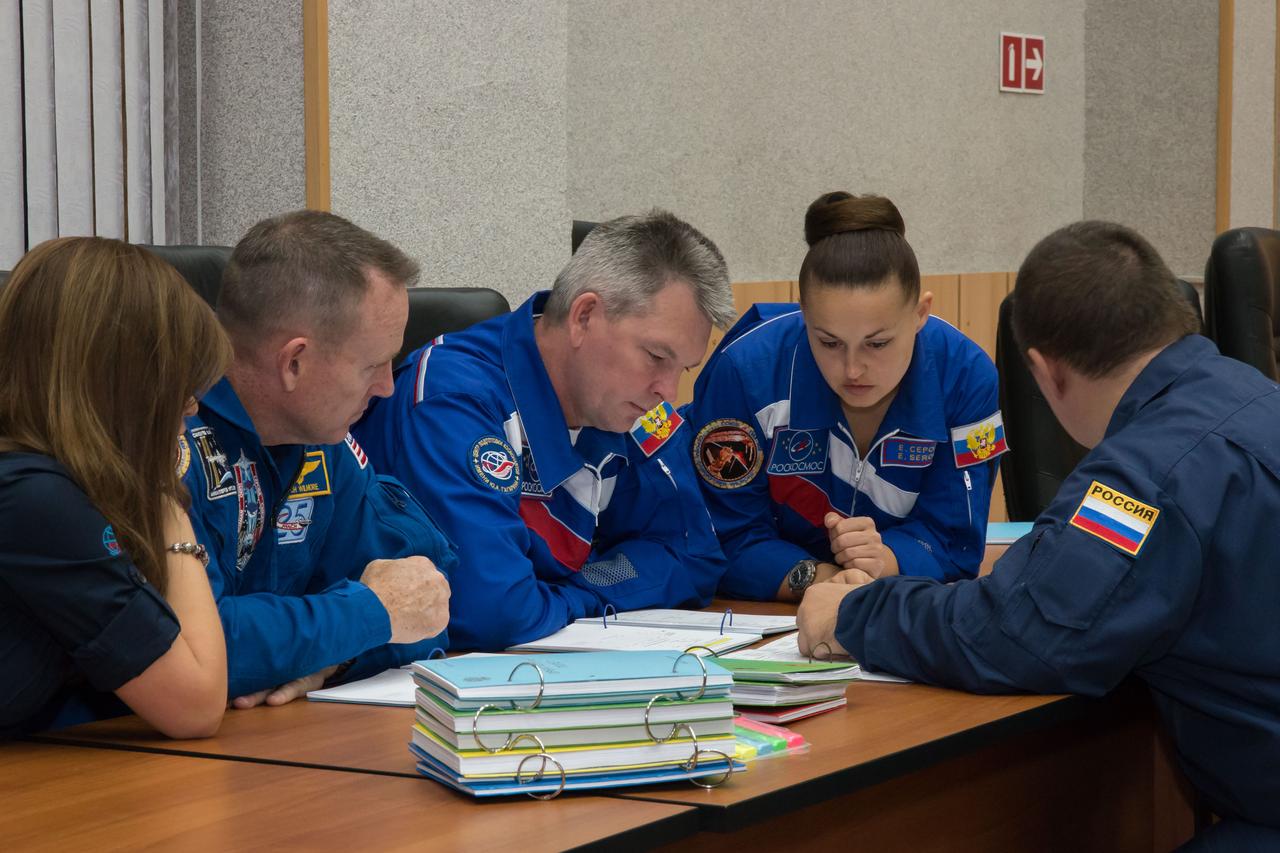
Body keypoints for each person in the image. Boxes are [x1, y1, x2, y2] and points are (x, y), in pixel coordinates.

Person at [797, 221, 1280, 847]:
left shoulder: (1144, 478)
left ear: (1044, 372)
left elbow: (1023, 631)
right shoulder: (1253, 396)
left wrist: (855, 614)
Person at [355, 211, 733, 650]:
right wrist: (595, 589)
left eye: (683, 368)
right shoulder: (454, 397)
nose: (667, 392)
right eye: (656, 356)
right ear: (584, 316)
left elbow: (695, 555)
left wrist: (571, 592)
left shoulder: (632, 404)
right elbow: (494, 611)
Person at [184, 210, 454, 706]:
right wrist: (364, 617)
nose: (388, 387)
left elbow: (425, 602)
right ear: (294, 362)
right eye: (373, 365)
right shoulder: (165, 437)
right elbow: (192, 649)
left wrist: (333, 659)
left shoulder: (322, 441)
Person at [686, 192, 1003, 602]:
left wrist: (886, 559)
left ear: (920, 314)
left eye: (878, 343)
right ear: (804, 314)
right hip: (774, 607)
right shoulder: (744, 373)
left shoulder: (966, 376)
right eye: (829, 342)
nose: (853, 369)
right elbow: (725, 534)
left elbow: (955, 538)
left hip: (897, 603)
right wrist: (822, 579)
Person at [0, 237, 230, 738]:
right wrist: (164, 491)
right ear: (122, 384)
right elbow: (196, 705)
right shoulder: (32, 498)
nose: (191, 407)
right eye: (176, 383)